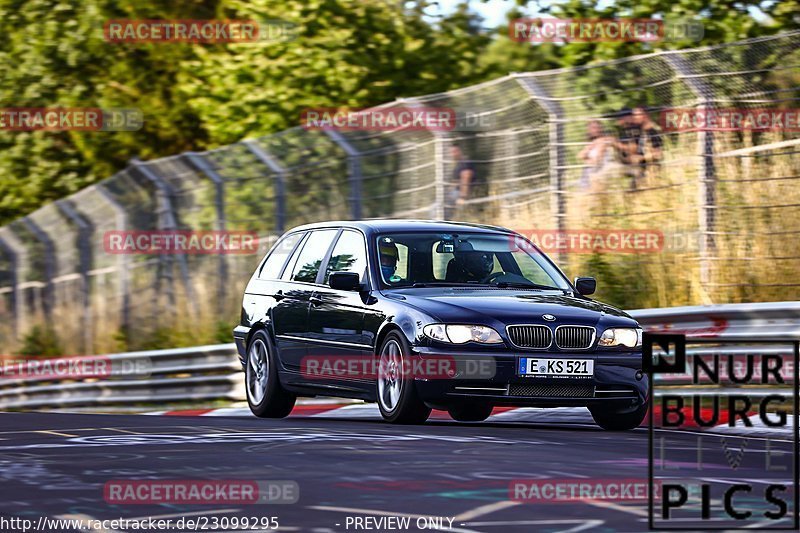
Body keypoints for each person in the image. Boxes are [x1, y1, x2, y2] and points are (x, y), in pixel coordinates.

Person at [616, 106, 663, 189]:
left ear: (644, 115)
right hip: (641, 168)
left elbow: (659, 154)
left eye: (636, 115)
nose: (633, 118)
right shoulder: (641, 132)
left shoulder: (653, 131)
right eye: (633, 115)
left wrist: (641, 157)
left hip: (651, 169)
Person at [578, 120, 615, 191]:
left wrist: (587, 159)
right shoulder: (592, 142)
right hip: (588, 173)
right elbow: (580, 155)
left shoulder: (604, 141)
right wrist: (590, 147)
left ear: (600, 129)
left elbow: (597, 161)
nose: (593, 130)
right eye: (591, 128)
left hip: (598, 174)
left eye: (596, 128)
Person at [445, 145, 476, 219]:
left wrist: (463, 197)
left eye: (454, 152)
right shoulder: (458, 164)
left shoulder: (464, 163)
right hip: (454, 192)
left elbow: (466, 177)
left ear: (459, 151)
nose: (452, 154)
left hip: (459, 193)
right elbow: (455, 181)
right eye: (451, 152)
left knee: (443, 211)